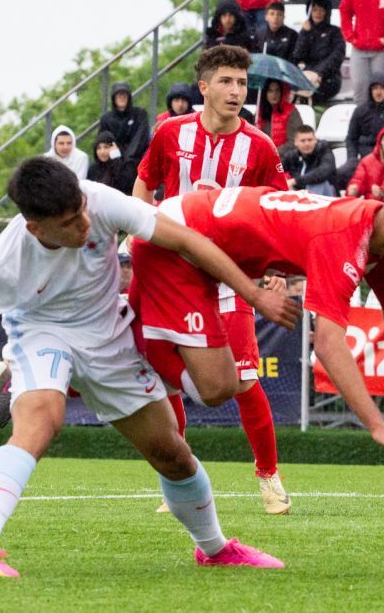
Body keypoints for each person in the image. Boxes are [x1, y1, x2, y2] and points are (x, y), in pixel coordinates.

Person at [0, 157, 297, 576]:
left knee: (172, 454)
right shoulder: (2, 262)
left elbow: (186, 240)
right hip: (40, 333)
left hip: (109, 336)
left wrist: (253, 294)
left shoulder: (98, 200)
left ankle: (215, 550)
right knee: (40, 424)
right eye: (69, 223)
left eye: (81, 212)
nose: (84, 225)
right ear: (36, 228)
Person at [129, 144, 384, 467]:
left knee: (222, 386)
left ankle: (132, 343)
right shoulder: (343, 238)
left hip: (204, 246)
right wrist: (376, 425)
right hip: (177, 241)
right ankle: (131, 351)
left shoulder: (383, 245)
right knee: (215, 389)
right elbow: (328, 343)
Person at [132, 45, 295, 515]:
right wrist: (135, 230)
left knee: (244, 378)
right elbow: (145, 183)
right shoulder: (170, 133)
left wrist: (276, 270)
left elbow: (277, 210)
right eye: (226, 81)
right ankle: (179, 479)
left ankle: (268, 477)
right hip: (170, 275)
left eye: (242, 83)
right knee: (164, 378)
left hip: (230, 276)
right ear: (203, 87)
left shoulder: (260, 146)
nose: (236, 91)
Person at [341, 72, 384, 189]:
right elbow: (351, 138)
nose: (378, 92)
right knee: (341, 174)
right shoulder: (361, 111)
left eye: (382, 88)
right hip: (365, 157)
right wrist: (352, 158)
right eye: (375, 88)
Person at [292, 0, 345, 104]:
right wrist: (305, 34)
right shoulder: (305, 31)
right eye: (315, 10)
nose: (318, 13)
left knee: (314, 93)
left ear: (327, 12)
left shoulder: (335, 32)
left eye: (321, 10)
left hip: (329, 77)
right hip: (306, 74)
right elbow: (297, 56)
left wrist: (319, 73)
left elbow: (337, 57)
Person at [99, 82, 151, 169]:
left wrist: (126, 158)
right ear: (114, 98)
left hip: (135, 161)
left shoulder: (140, 114)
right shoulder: (106, 119)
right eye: (119, 95)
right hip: (112, 160)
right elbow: (103, 139)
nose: (122, 98)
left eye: (124, 95)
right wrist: (115, 154)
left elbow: (141, 139)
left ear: (129, 97)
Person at [280, 125, 338, 196]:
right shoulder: (292, 155)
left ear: (315, 140)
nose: (307, 144)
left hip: (326, 195)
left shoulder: (324, 151)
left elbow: (323, 172)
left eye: (310, 140)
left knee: (317, 183)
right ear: (295, 142)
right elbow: (277, 170)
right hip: (301, 195)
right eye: (303, 141)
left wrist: (295, 181)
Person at [347, 126, 384, 199]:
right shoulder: (367, 162)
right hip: (370, 205)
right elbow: (359, 181)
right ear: (380, 142)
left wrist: (382, 194)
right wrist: (354, 190)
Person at [255, 79, 302, 152]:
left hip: (285, 156)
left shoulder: (291, 111)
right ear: (265, 93)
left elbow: (295, 140)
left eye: (277, 90)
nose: (274, 94)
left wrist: (274, 153)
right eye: (270, 91)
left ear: (282, 92)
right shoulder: (260, 112)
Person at [88, 131, 137, 195]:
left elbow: (124, 185)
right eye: (99, 148)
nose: (102, 151)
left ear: (114, 147)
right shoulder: (93, 169)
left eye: (106, 147)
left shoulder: (127, 165)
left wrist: (116, 159)